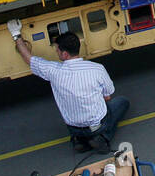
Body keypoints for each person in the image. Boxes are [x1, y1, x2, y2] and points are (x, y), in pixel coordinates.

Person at [9, 21, 130, 152]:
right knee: (122, 102)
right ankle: (102, 138)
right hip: (96, 126)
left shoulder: (53, 71)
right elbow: (108, 95)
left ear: (65, 54)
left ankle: (79, 141)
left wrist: (16, 34)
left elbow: (29, 59)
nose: (56, 52)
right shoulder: (97, 69)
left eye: (57, 50)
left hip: (73, 127)